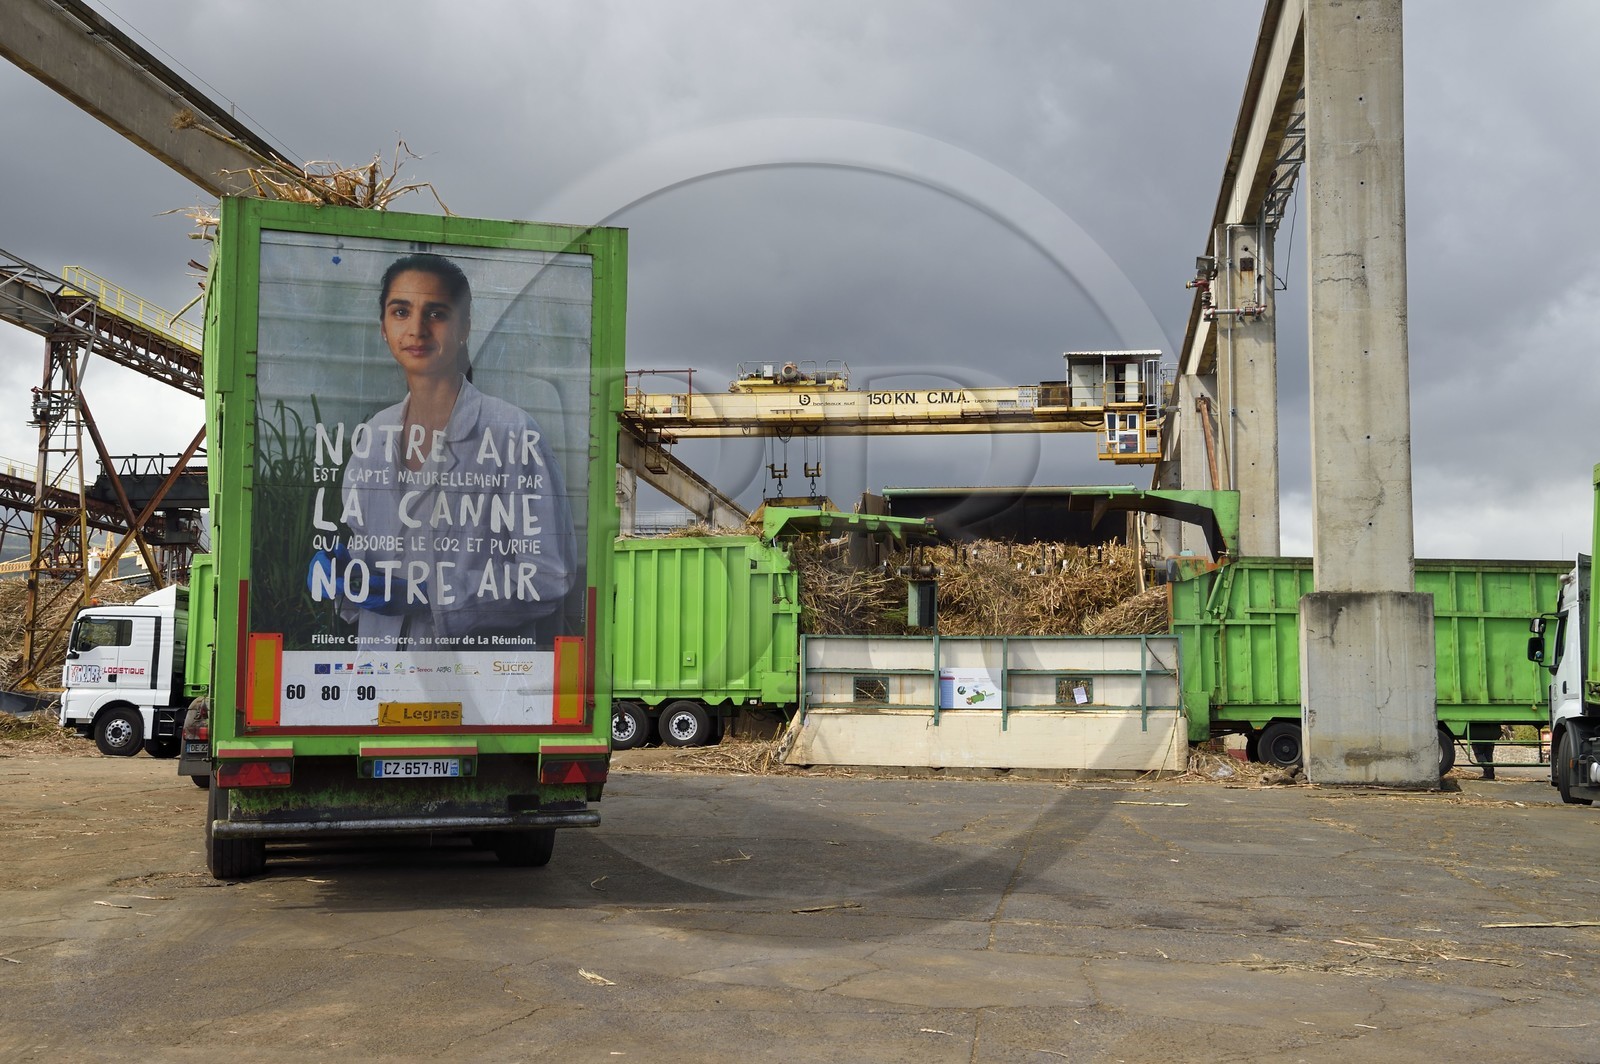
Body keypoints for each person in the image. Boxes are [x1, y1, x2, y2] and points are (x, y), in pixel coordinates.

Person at [329, 252, 577, 650]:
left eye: (437, 313)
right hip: (378, 679)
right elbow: (366, 569)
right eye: (401, 311)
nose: (416, 330)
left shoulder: (511, 432)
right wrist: (342, 579)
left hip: (475, 683)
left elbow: (549, 574)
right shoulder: (373, 436)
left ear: (464, 328)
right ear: (383, 327)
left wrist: (433, 595)